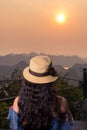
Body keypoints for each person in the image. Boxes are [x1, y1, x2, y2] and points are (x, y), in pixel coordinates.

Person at [7, 55, 74, 130]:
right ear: (51, 83)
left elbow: (15, 127)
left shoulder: (18, 102)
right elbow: (66, 127)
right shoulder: (61, 103)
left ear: (27, 82)